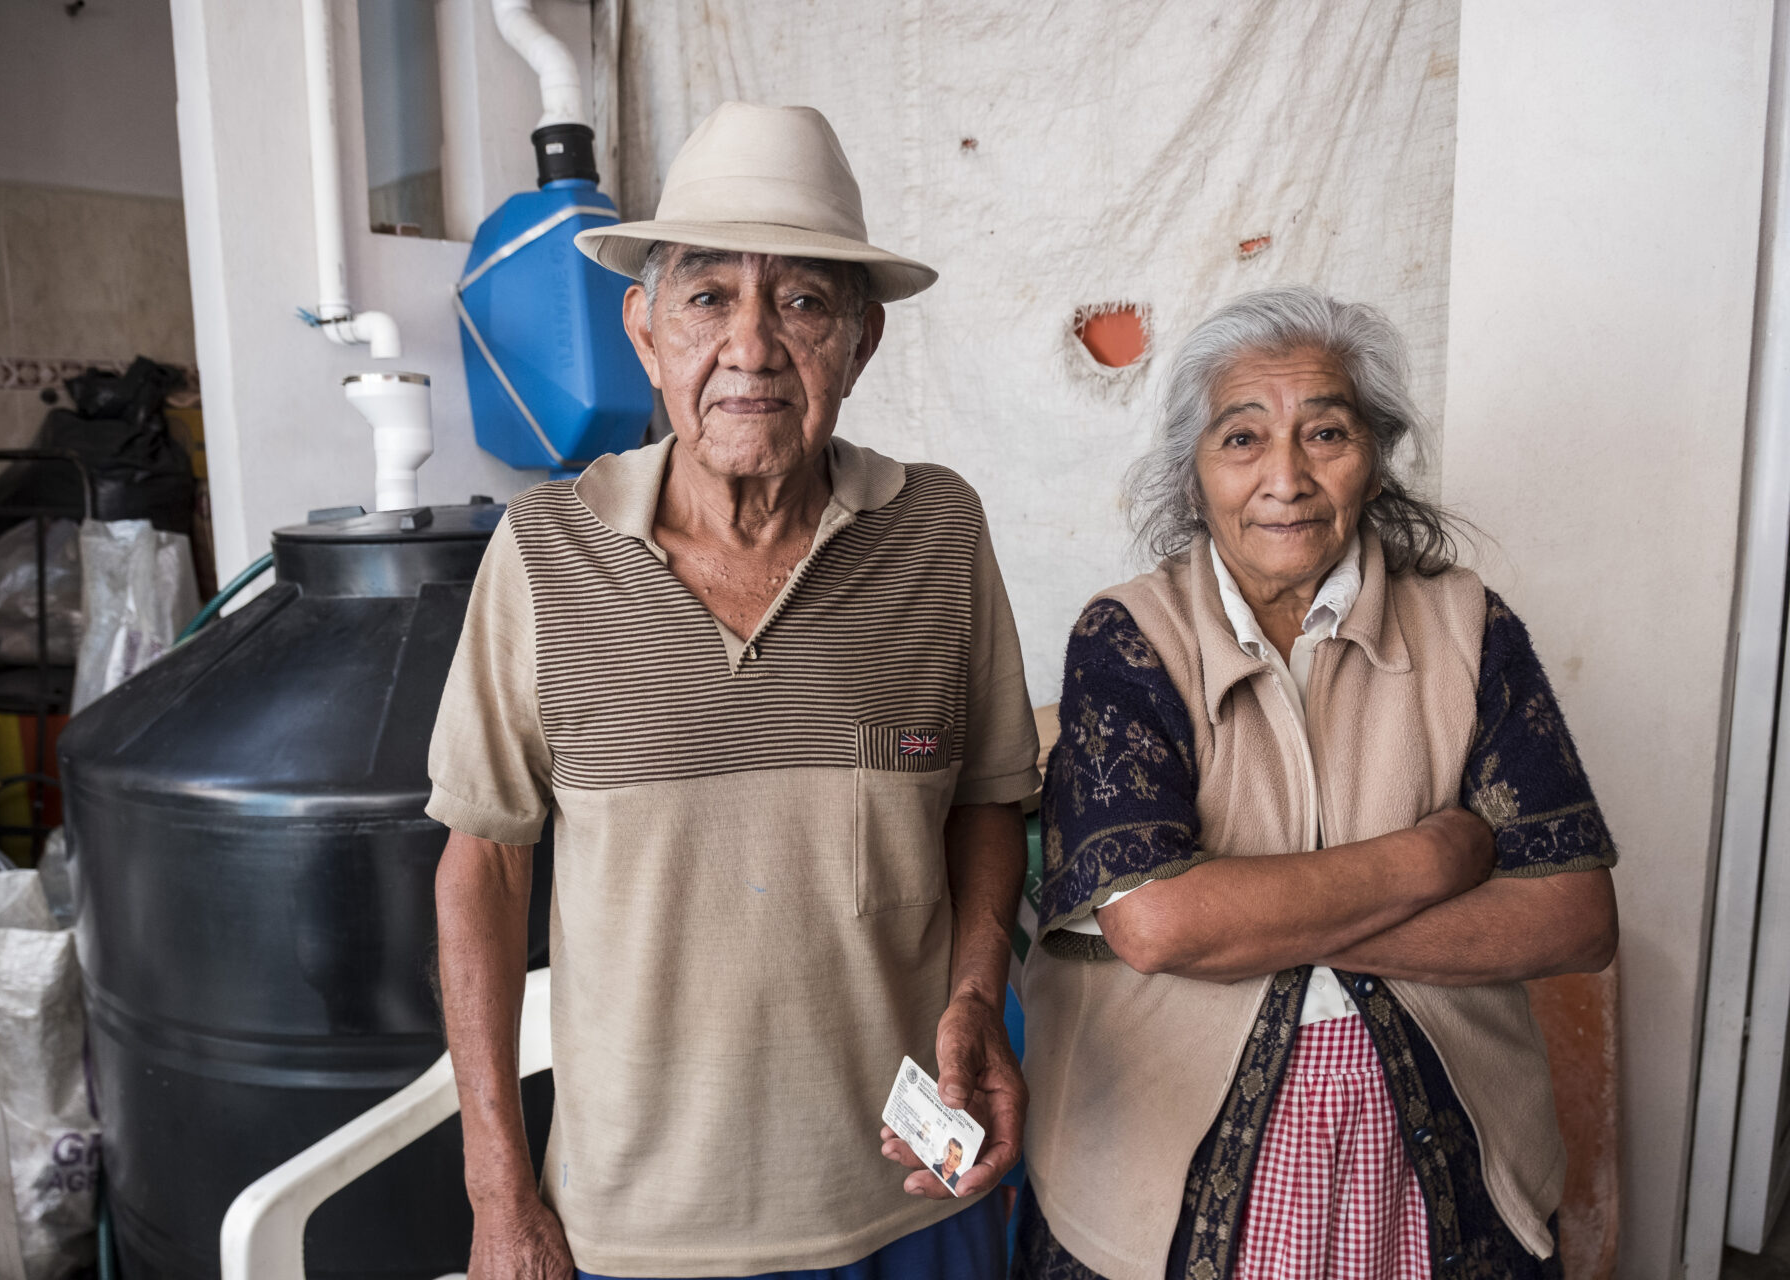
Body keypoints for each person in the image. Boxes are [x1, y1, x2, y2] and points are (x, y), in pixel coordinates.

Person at [428, 101, 1039, 1280]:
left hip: (911, 1199)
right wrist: (499, 1186)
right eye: (709, 297)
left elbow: (985, 803)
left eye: (803, 301)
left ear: (861, 341)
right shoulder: (545, 550)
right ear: (645, 334)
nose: (752, 346)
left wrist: (976, 993)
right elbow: (485, 864)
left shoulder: (938, 533)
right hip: (637, 1226)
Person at [1012, 286, 1619, 1279]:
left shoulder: (1469, 627)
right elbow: (1156, 923)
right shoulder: (1127, 638)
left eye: (1325, 431)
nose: (1285, 477)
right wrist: (1434, 855)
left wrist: (1250, 914)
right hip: (1158, 1157)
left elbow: (1574, 915)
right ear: (1195, 473)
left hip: (1435, 1147)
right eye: (1242, 438)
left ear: (1375, 453)